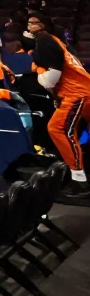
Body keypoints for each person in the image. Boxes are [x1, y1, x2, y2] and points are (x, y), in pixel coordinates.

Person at [29, 17, 89, 196]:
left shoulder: (46, 42)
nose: (30, 26)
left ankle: (80, 181)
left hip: (78, 94)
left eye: (34, 22)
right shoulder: (58, 43)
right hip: (81, 92)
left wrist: (38, 71)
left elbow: (49, 80)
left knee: (59, 129)